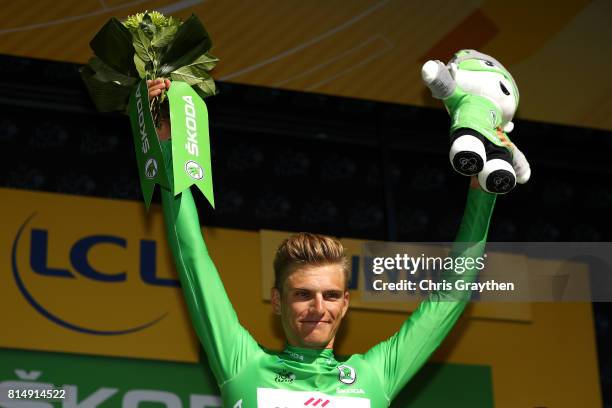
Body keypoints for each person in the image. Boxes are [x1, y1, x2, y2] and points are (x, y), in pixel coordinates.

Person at [147, 79, 504, 407]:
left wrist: (482, 192)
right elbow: (192, 256)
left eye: (331, 295)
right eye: (303, 294)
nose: (319, 307)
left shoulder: (375, 376)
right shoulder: (242, 365)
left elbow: (450, 296)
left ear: (346, 303)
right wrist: (165, 146)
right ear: (277, 300)